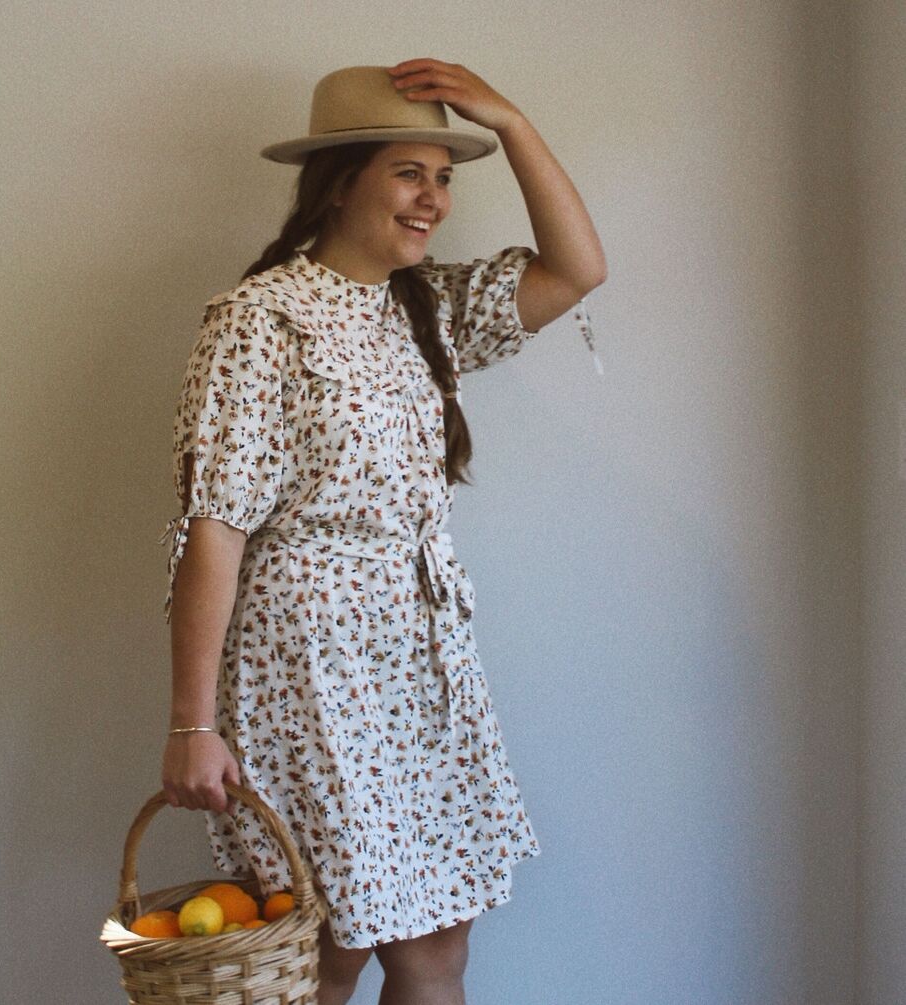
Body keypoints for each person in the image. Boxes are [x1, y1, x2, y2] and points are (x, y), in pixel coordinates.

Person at [159, 59, 606, 1005]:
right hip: (306, 662)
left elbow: (576, 269)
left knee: (437, 938)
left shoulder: (427, 308)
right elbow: (215, 528)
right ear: (339, 182)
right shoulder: (259, 319)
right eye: (409, 172)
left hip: (420, 655)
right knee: (330, 944)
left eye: (443, 177)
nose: (432, 198)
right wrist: (193, 723)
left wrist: (509, 120)